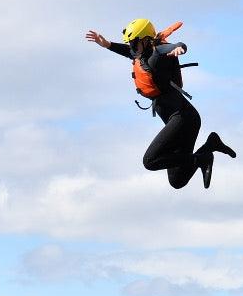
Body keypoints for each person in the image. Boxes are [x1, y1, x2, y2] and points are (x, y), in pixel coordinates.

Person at [86, 19, 234, 189]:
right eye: (131, 44)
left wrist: (179, 49)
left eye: (134, 43)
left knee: (149, 161)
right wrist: (106, 44)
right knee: (177, 181)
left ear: (146, 40)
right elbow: (127, 51)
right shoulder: (139, 54)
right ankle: (210, 145)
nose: (132, 47)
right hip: (179, 121)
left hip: (184, 118)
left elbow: (177, 45)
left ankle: (202, 158)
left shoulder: (158, 53)